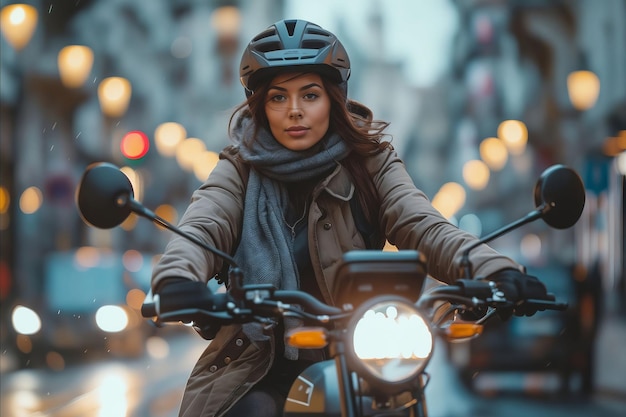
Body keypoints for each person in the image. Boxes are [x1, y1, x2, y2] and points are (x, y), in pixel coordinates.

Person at [151, 19, 552, 417]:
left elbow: (422, 223)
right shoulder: (239, 167)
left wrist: (497, 271)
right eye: (278, 97)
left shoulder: (371, 162)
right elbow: (204, 224)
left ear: (333, 98)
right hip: (259, 361)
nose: (294, 111)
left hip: (366, 354)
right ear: (261, 105)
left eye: (310, 95)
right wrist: (176, 279)